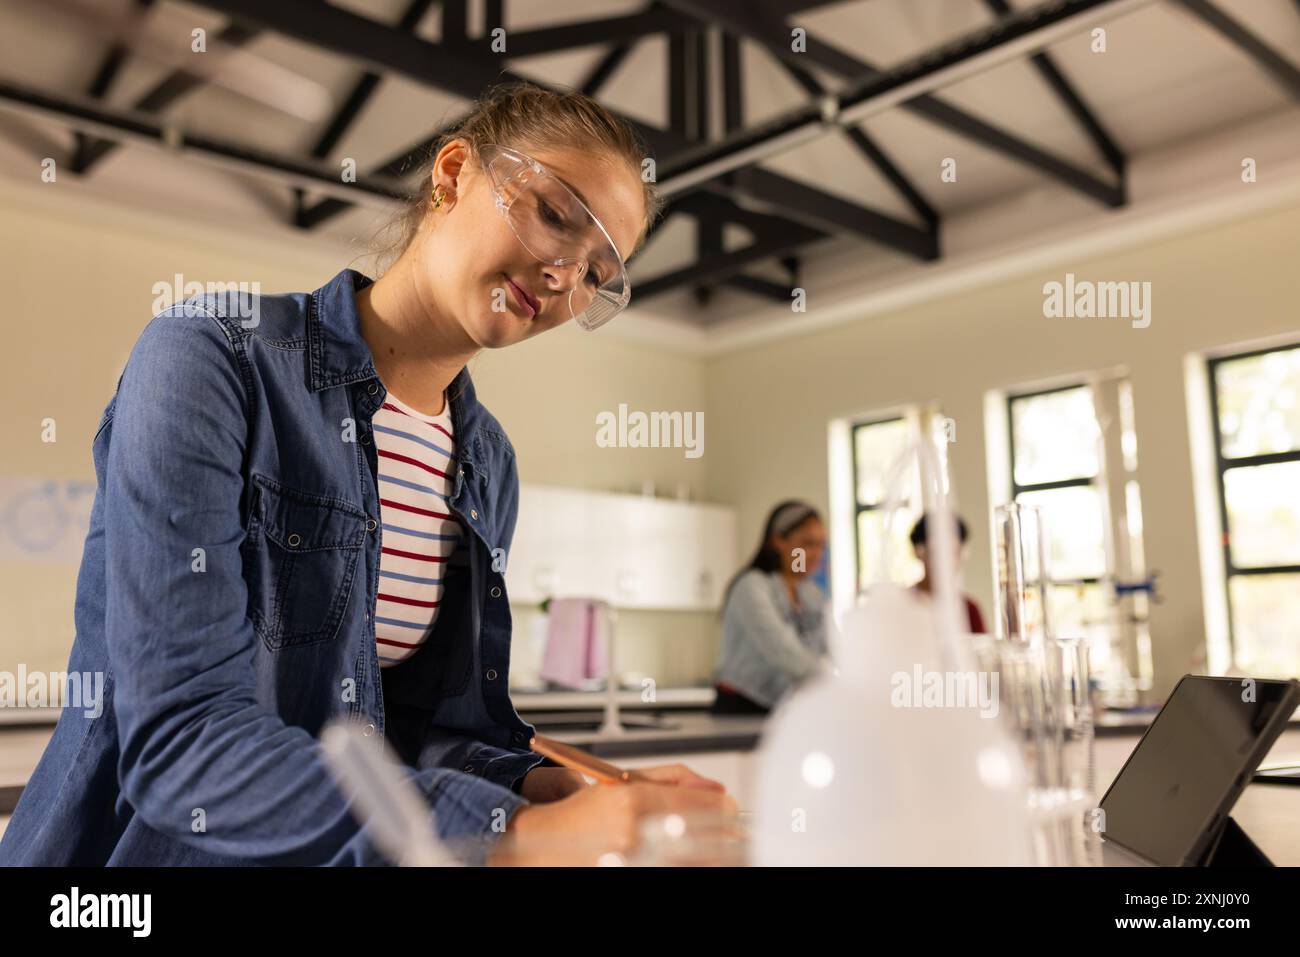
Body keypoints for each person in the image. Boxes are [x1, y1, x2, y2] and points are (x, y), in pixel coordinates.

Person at [0, 84, 733, 867]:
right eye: (556, 215)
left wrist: (548, 787)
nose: (563, 276)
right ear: (453, 172)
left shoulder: (488, 465)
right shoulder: (212, 357)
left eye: (596, 273)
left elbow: (420, 733)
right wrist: (510, 831)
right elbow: (184, 744)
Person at [712, 501, 830, 715]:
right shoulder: (751, 587)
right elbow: (783, 651)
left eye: (821, 545)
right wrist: (839, 683)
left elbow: (831, 647)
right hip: (743, 708)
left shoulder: (812, 594)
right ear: (778, 541)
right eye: (806, 544)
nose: (816, 553)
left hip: (786, 708)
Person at [909, 513, 988, 634]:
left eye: (953, 552)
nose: (946, 561)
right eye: (937, 552)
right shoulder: (903, 604)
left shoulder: (969, 610)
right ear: (919, 552)